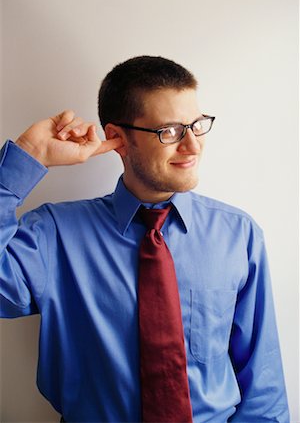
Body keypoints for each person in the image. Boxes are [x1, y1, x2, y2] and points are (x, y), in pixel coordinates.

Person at [0, 56, 289, 422]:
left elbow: (262, 384)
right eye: (169, 131)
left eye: (197, 126)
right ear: (118, 139)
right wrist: (27, 156)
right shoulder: (55, 235)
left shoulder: (239, 235)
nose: (193, 147)